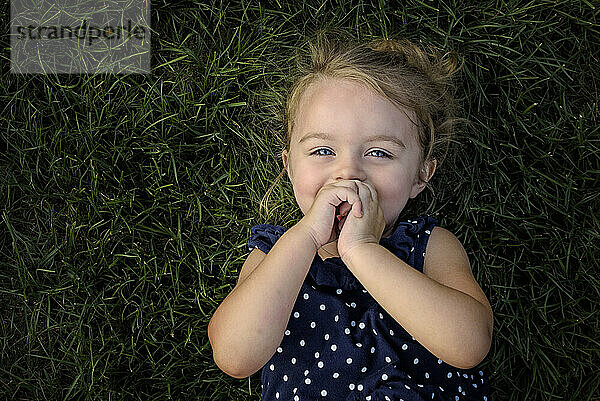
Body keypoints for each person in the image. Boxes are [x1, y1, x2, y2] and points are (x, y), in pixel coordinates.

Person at [208, 33, 494, 401]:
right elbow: (234, 356)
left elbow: (469, 345)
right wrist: (306, 238)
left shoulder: (428, 246)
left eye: (379, 153)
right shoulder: (276, 255)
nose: (348, 172)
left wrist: (363, 250)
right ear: (289, 168)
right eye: (323, 150)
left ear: (421, 175)